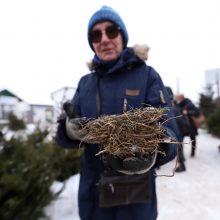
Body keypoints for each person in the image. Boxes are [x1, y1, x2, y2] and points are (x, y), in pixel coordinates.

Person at [56, 6, 179, 220]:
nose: (104, 39)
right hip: (93, 199)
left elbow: (170, 131)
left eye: (111, 31)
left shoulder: (147, 76)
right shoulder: (85, 84)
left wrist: (153, 149)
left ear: (122, 35)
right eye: (96, 34)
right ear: (92, 43)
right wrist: (68, 131)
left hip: (135, 201)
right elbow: (63, 137)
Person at [174, 94, 200, 171]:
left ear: (181, 98)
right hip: (183, 125)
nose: (177, 99)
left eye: (177, 98)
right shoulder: (178, 105)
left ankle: (193, 152)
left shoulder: (189, 103)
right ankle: (182, 158)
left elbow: (197, 112)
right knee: (180, 140)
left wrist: (188, 112)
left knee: (193, 139)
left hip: (191, 124)